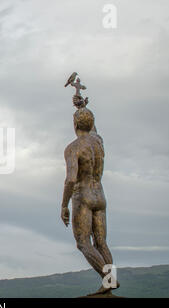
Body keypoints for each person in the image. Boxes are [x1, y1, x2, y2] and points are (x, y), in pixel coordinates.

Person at [61, 105, 119, 295]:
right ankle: (109, 283)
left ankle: (109, 279)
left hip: (83, 195)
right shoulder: (98, 142)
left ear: (74, 123)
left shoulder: (73, 148)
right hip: (100, 195)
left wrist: (64, 205)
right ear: (92, 123)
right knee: (101, 242)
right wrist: (82, 107)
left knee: (83, 242)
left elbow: (70, 179)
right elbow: (94, 131)